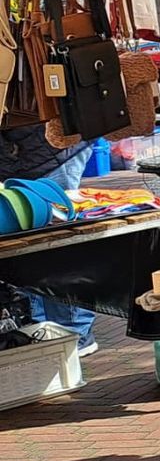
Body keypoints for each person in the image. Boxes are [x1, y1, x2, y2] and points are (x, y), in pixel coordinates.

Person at [0, 122, 97, 356]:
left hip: (47, 149)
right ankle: (43, 332)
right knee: (28, 249)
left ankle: (74, 334)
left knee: (59, 247)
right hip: (22, 154)